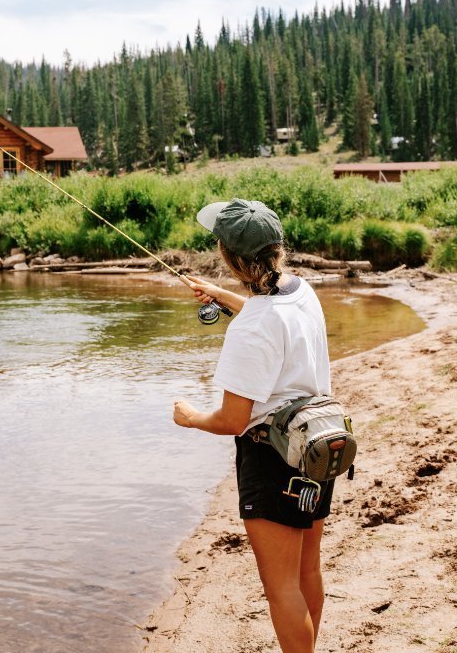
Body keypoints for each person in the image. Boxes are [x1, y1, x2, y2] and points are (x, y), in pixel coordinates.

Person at [173, 198, 334, 653]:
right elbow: (272, 317)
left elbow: (231, 420)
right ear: (276, 248)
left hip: (272, 458)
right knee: (307, 571)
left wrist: (189, 417)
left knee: (282, 587)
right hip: (316, 446)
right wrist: (225, 297)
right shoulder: (301, 290)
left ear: (228, 255)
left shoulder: (251, 328)